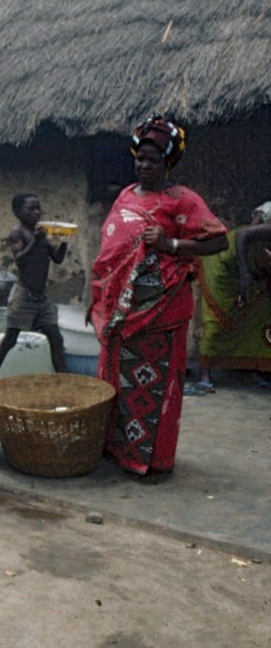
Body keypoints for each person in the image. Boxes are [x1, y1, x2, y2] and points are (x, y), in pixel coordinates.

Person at [89, 114, 227, 480]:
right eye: (140, 158)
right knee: (116, 385)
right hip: (121, 314)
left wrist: (171, 244)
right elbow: (112, 248)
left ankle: (149, 460)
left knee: (154, 386)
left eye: (153, 160)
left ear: (167, 163)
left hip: (160, 315)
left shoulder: (182, 200)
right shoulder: (124, 194)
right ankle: (116, 449)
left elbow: (218, 240)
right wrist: (100, 300)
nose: (144, 166)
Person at [0, 193, 69, 381]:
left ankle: (65, 383)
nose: (37, 212)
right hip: (24, 296)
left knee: (56, 338)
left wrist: (64, 241)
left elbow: (57, 258)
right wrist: (36, 241)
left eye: (39, 208)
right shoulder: (18, 233)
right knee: (10, 339)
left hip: (42, 296)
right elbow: (20, 260)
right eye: (31, 208)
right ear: (17, 212)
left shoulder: (41, 234)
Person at [195, 200, 271, 387]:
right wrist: (245, 275)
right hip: (223, 262)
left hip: (255, 268)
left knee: (260, 314)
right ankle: (205, 376)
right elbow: (243, 234)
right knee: (217, 319)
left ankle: (251, 368)